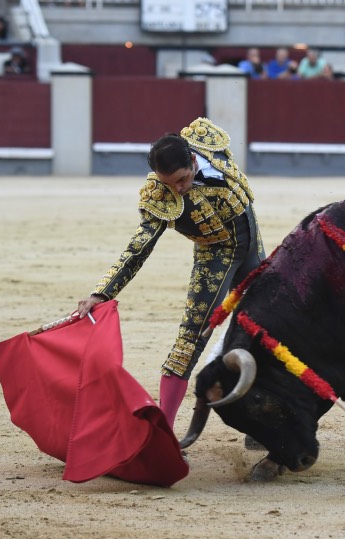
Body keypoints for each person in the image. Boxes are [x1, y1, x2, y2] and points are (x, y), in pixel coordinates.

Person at [76, 117, 265, 432]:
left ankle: (263, 420)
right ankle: (164, 432)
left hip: (252, 248)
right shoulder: (159, 195)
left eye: (181, 179)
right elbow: (139, 247)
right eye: (169, 183)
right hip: (215, 259)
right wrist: (103, 292)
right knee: (190, 341)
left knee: (267, 328)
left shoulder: (209, 140)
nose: (177, 189)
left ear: (193, 159)